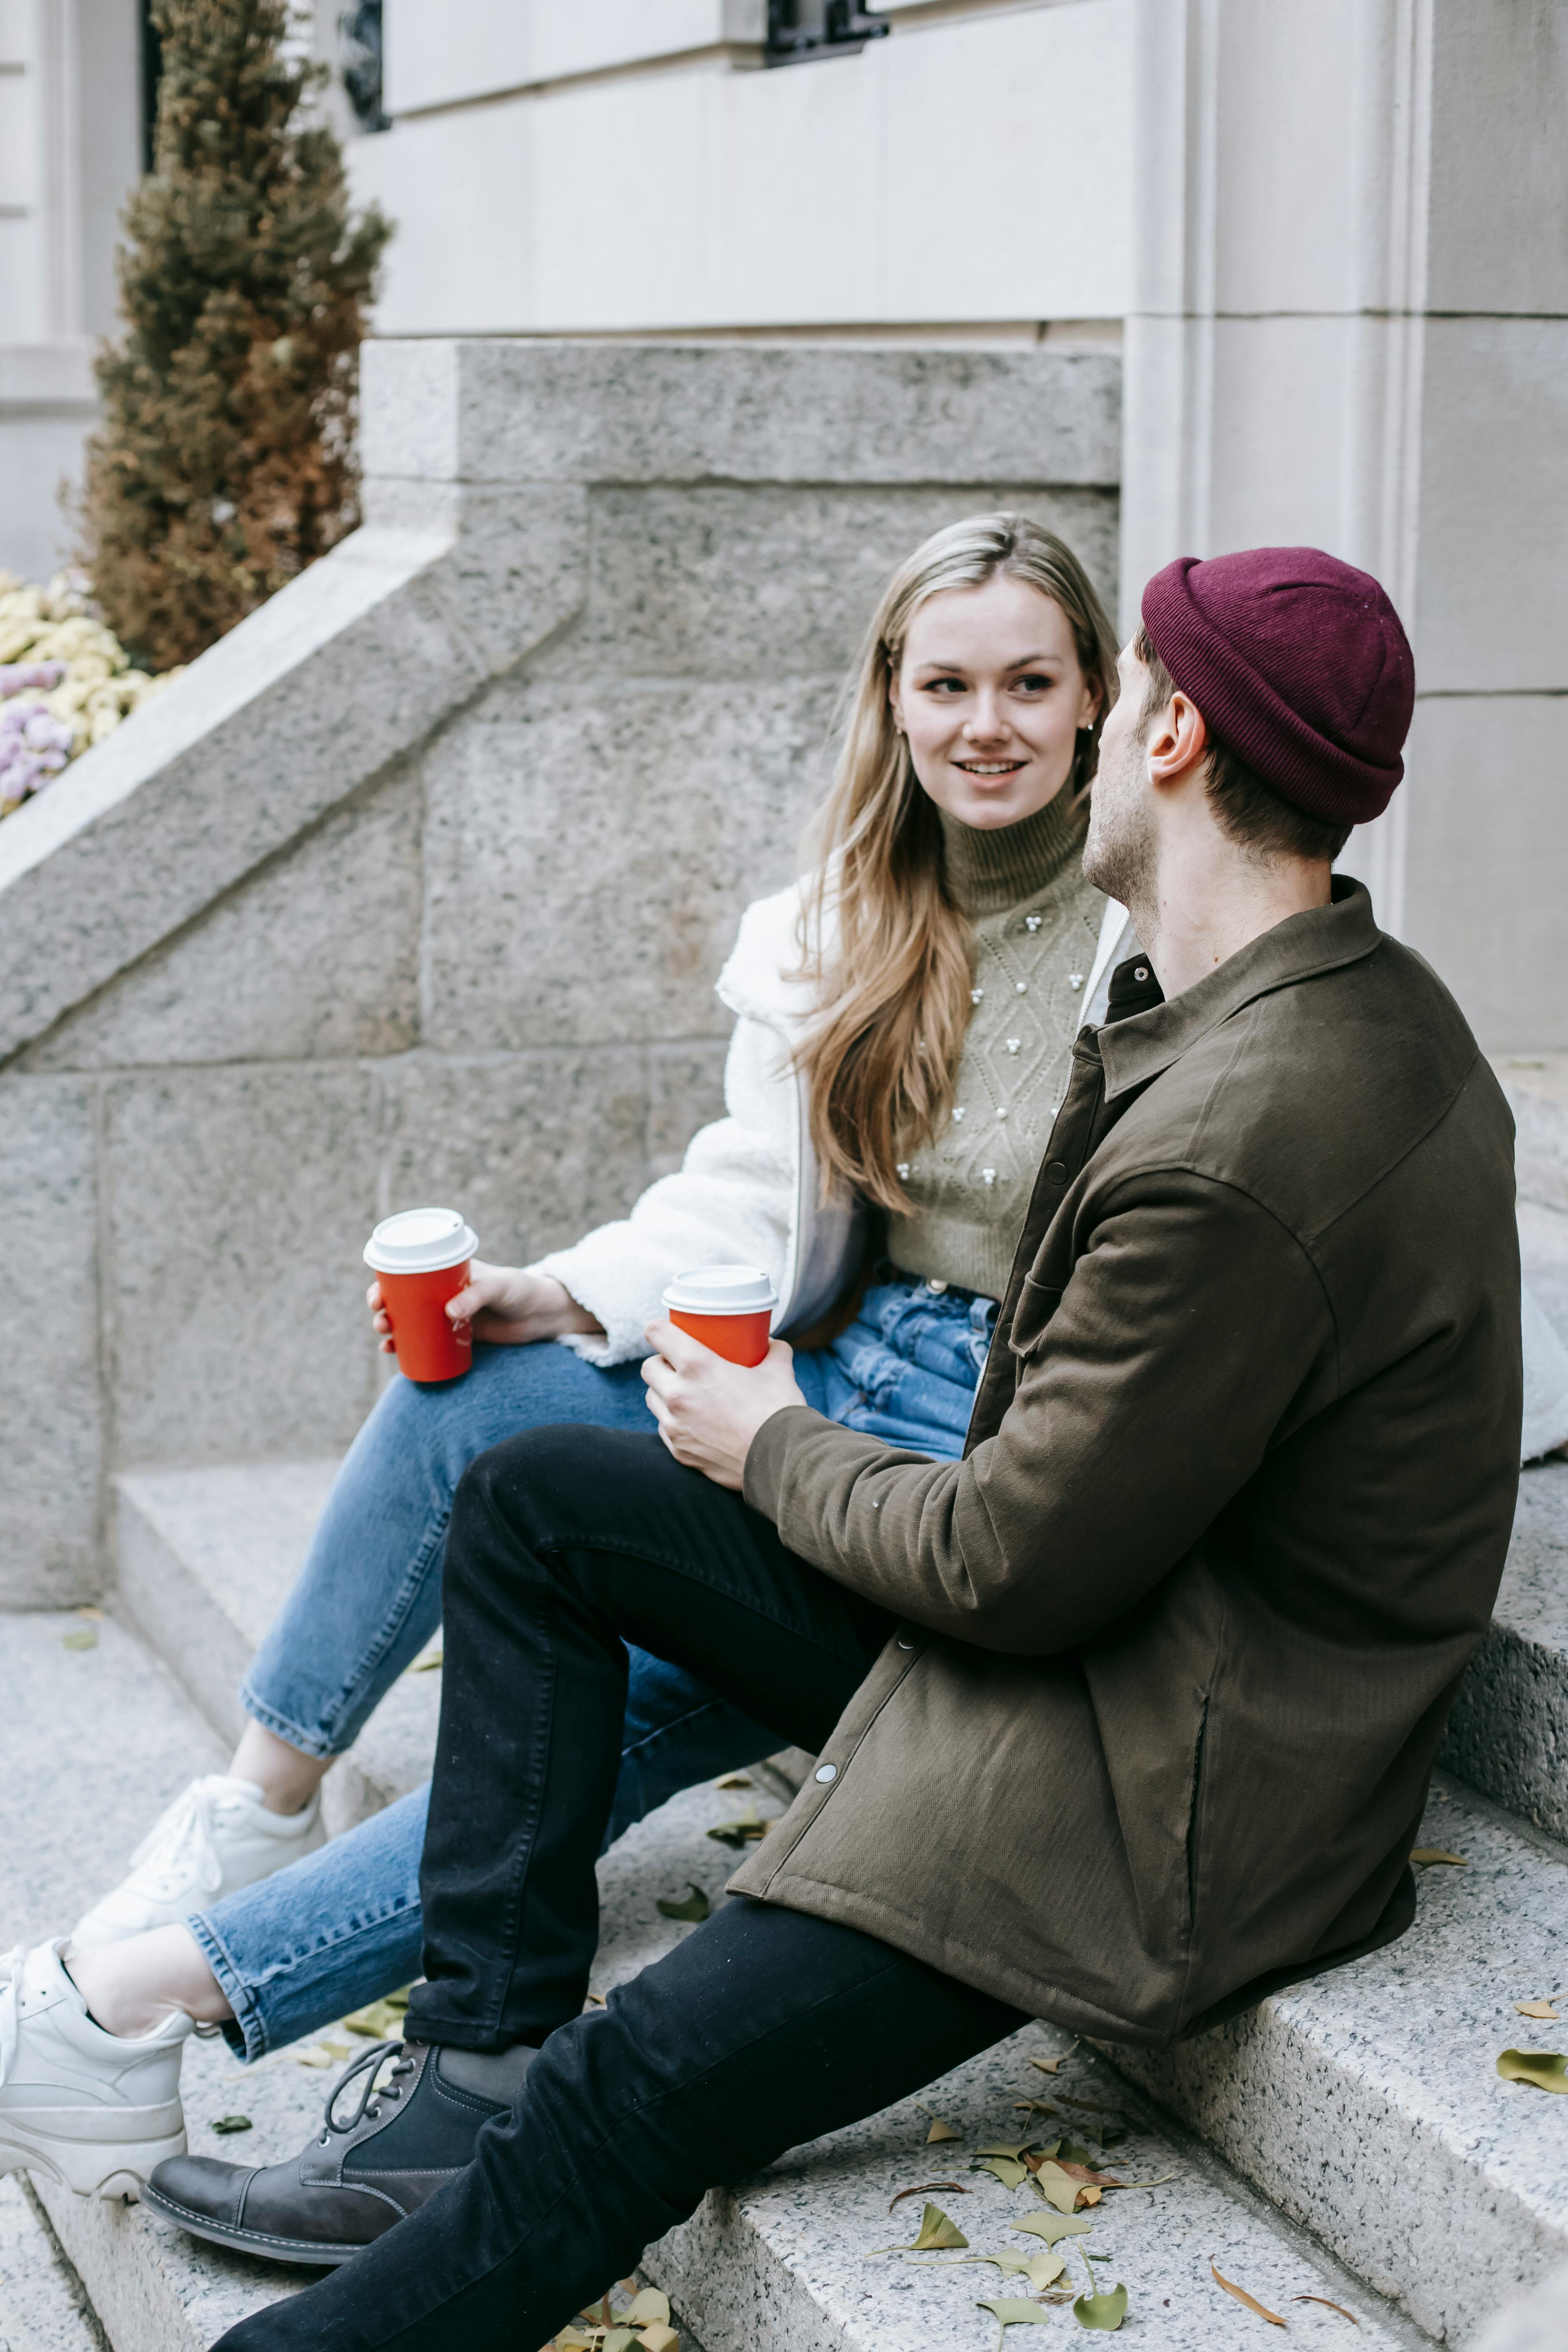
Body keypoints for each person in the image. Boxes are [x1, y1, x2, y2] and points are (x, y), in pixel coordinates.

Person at [19, 549, 1529, 2352]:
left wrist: (774, 1439)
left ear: (1173, 733)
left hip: (1146, 1791)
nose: (1081, 729)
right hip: (1105, 1651)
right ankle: (472, 2054)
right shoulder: (1319, 1005)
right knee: (538, 1492)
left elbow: (1005, 1569)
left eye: (1103, 694)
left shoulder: (1249, 1121)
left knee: (632, 2088)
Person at [0, 513, 1131, 2174]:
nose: (988, 725)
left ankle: (141, 1998)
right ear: (890, 697)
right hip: (830, 1355)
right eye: (947, 682)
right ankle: (248, 1811)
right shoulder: (850, 916)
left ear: (1098, 695)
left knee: (603, 1700)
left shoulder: (1146, 923)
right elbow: (758, 1193)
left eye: (1030, 682)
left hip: (964, 1444)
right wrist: (573, 1292)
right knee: (471, 1385)